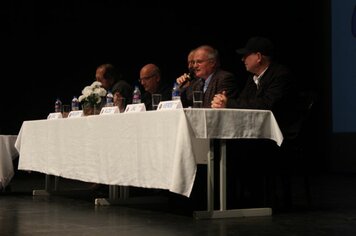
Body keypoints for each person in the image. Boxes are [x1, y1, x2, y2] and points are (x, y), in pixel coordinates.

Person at [211, 36, 300, 210]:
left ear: (258, 57)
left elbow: (267, 104)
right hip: (259, 134)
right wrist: (226, 101)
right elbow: (245, 101)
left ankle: (251, 199)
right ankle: (228, 199)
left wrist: (228, 103)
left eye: (246, 55)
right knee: (223, 145)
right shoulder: (252, 79)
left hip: (280, 135)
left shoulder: (280, 74)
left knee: (235, 148)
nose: (243, 59)